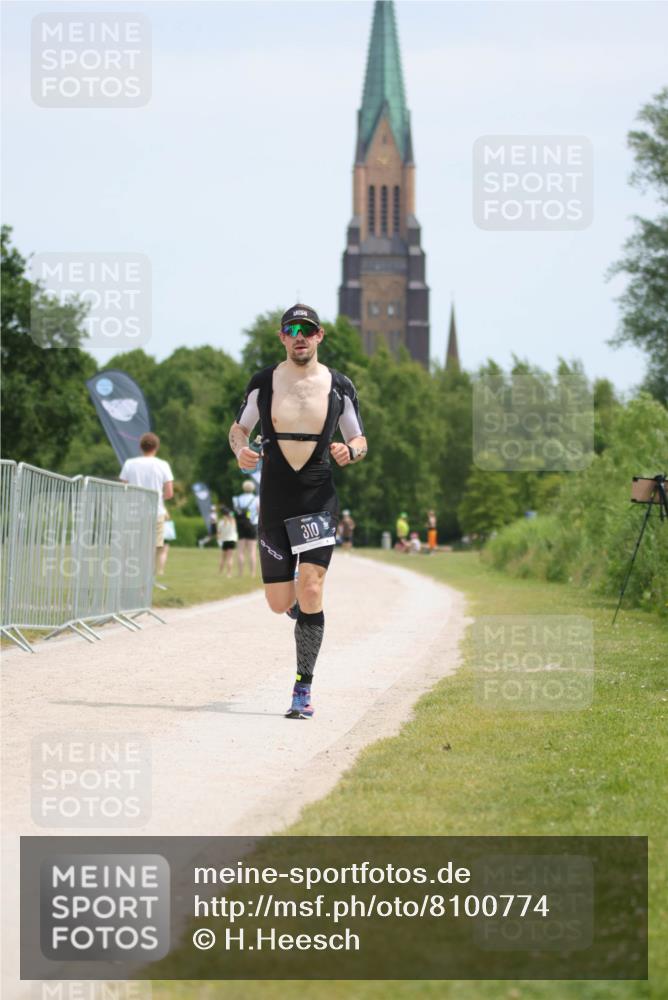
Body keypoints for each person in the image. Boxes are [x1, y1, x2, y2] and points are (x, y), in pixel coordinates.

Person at [229, 303, 367, 719]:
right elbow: (239, 429)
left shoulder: (339, 385)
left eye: (307, 329)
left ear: (320, 336)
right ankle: (297, 610)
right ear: (282, 337)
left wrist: (350, 452)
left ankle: (302, 688)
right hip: (275, 497)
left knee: (311, 590)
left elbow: (360, 439)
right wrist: (241, 451)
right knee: (278, 602)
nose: (300, 336)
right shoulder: (263, 382)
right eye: (292, 329)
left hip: (316, 497)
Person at [119, 432, 174, 574]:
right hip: (155, 512)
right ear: (156, 447)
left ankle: (133, 577)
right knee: (152, 549)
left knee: (134, 549)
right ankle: (146, 583)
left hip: (133, 512)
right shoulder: (163, 465)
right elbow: (169, 493)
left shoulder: (129, 464)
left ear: (140, 447)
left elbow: (123, 488)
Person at [232, 479, 259, 577]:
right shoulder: (256, 499)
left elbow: (235, 511)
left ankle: (240, 573)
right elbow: (259, 512)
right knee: (252, 551)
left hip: (240, 525)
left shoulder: (237, 499)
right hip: (252, 525)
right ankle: (252, 574)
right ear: (252, 488)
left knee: (240, 550)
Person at [217, 506, 238, 577]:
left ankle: (220, 572)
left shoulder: (221, 522)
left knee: (223, 558)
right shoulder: (233, 521)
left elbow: (219, 533)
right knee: (230, 558)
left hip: (225, 541)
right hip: (232, 540)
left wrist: (219, 541)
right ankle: (229, 574)